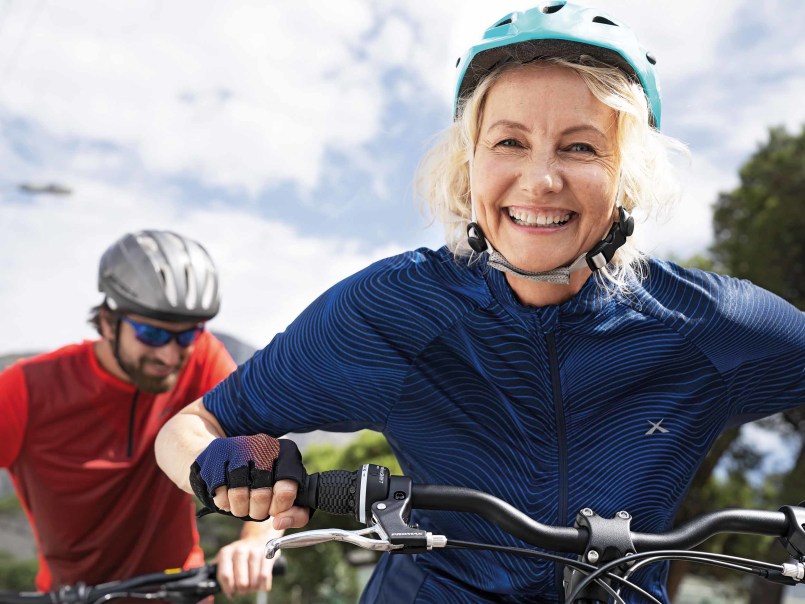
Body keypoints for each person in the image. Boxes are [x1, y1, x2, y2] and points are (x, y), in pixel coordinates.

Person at [155, 3, 805, 603]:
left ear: (627, 176)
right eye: (508, 142)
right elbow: (187, 430)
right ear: (467, 169)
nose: (541, 178)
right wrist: (222, 465)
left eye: (580, 146)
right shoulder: (392, 311)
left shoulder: (707, 323)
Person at [0, 229, 280, 598]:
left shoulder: (201, 359)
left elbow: (263, 452)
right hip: (70, 595)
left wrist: (255, 540)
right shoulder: (27, 388)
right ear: (106, 321)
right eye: (151, 333)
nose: (169, 356)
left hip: (179, 590)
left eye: (187, 335)